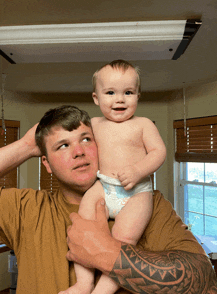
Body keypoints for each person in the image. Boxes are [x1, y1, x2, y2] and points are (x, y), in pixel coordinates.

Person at [0, 105, 216, 294]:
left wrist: (108, 254)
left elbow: (205, 281)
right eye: (63, 145)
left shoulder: (147, 204)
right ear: (46, 164)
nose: (79, 152)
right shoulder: (24, 208)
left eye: (86, 139)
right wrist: (26, 146)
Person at [62, 60, 167, 294]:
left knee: (122, 243)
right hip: (104, 187)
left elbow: (159, 152)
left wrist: (139, 170)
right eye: (110, 92)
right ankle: (83, 284)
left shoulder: (143, 124)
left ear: (138, 96)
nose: (119, 99)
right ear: (96, 98)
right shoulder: (93, 124)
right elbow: (68, 134)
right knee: (83, 229)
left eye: (128, 92)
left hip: (136, 194)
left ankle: (103, 291)